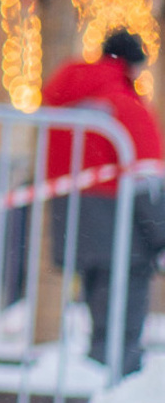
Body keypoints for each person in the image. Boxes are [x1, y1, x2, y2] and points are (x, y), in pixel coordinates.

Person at [42, 28, 165, 378]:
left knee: (100, 319)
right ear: (131, 64)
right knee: (123, 328)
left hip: (77, 219)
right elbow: (146, 175)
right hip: (122, 226)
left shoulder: (70, 92)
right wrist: (160, 234)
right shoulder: (123, 102)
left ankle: (97, 387)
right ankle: (114, 397)